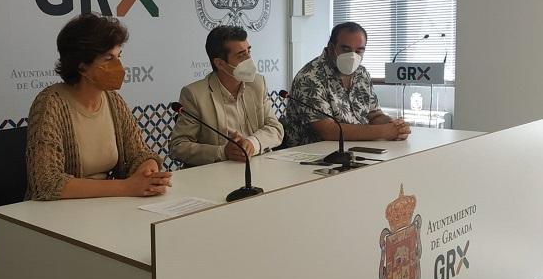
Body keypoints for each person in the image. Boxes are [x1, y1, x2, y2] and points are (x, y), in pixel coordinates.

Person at [25, 14, 172, 200]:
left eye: (119, 56)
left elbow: (139, 153)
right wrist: (127, 187)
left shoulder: (114, 101)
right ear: (82, 66)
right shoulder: (50, 103)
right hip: (57, 216)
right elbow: (47, 183)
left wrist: (147, 169)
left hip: (105, 209)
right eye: (108, 58)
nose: (119, 66)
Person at [170, 25, 283, 166]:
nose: (249, 59)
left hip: (259, 166)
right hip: (217, 176)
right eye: (241, 55)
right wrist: (223, 152)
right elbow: (178, 146)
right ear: (220, 63)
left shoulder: (257, 84)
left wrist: (252, 143)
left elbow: (275, 128)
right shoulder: (194, 94)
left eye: (249, 52)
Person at [284, 22, 411, 147]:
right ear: (331, 47)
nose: (353, 56)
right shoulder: (310, 78)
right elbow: (328, 131)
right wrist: (384, 132)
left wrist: (394, 125)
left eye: (359, 51)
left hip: (358, 149)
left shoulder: (362, 73)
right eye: (346, 49)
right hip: (312, 156)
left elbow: (374, 115)